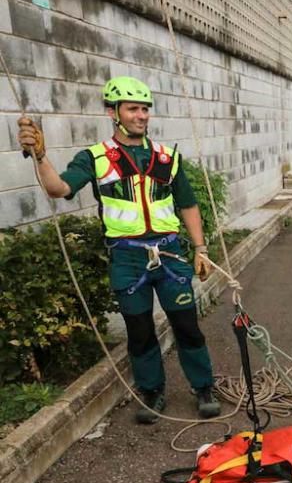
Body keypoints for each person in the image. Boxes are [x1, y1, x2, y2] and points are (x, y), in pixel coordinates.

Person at [16, 76, 220, 424]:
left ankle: (203, 387)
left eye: (145, 109)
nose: (141, 116)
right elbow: (58, 188)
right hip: (127, 259)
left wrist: (200, 248)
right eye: (133, 109)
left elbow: (187, 204)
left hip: (170, 255)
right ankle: (152, 392)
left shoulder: (166, 157)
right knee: (139, 332)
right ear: (113, 112)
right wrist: (41, 156)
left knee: (187, 326)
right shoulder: (95, 158)